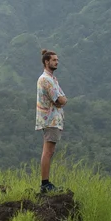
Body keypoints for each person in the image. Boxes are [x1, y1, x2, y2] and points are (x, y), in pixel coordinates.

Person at [35, 48, 66, 193]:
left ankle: (46, 183)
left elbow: (62, 99)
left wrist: (62, 100)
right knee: (48, 151)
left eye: (57, 60)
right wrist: (62, 100)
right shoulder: (46, 79)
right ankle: (45, 184)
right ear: (46, 62)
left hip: (53, 119)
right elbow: (60, 99)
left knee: (49, 151)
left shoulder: (52, 79)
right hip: (50, 120)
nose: (56, 62)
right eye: (54, 60)